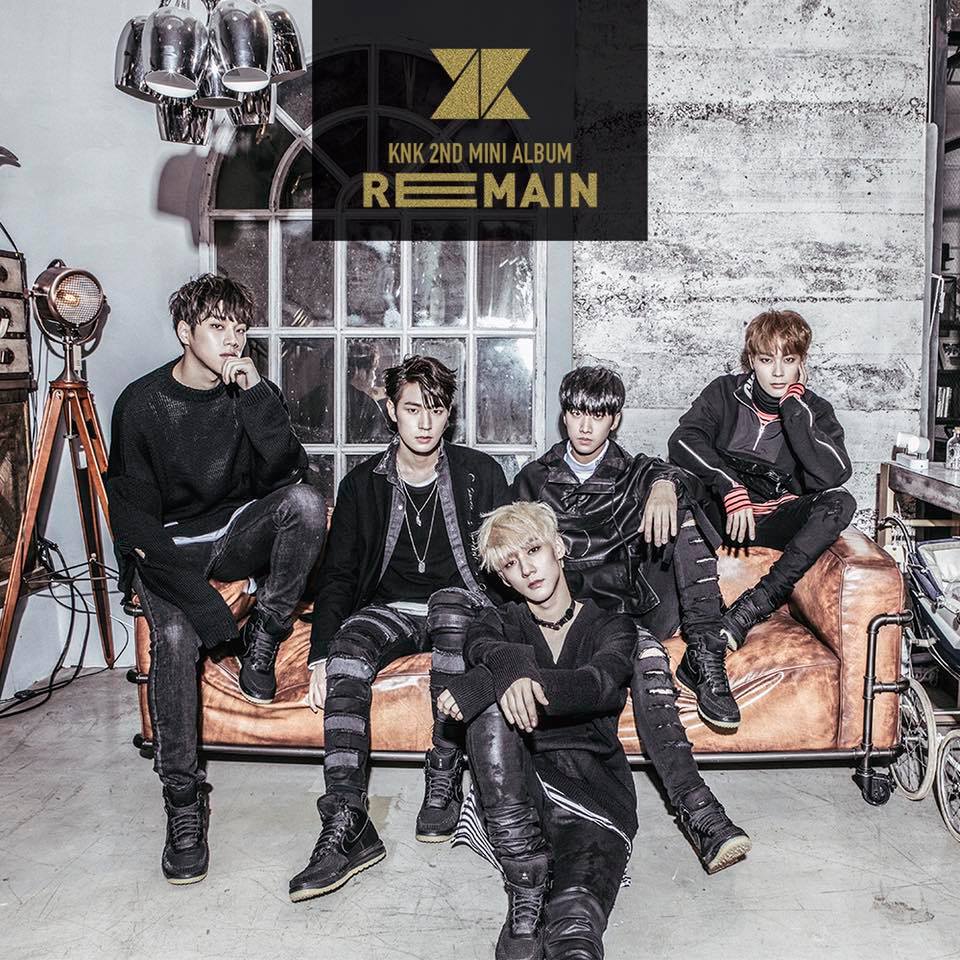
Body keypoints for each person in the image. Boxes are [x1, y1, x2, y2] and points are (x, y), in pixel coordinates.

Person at [438, 502, 751, 960]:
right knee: (490, 703)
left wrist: (505, 679)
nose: (526, 569)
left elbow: (599, 686)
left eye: (533, 550)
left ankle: (555, 900)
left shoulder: (612, 624)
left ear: (558, 548)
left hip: (593, 792)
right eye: (510, 563)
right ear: (503, 578)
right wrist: (504, 669)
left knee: (577, 927)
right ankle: (525, 878)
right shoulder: (499, 623)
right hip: (518, 794)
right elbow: (480, 643)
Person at [106, 273, 327, 885]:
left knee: (307, 505)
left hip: (229, 535)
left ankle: (265, 640)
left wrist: (258, 399)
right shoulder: (141, 404)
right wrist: (205, 608)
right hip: (166, 550)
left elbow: (289, 474)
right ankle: (183, 799)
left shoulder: (251, 391)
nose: (233, 340)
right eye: (217, 326)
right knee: (177, 638)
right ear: (185, 332)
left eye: (240, 327)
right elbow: (133, 524)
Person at [289, 355, 509, 901]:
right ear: (391, 410)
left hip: (459, 608)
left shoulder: (482, 475)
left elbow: (507, 562)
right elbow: (339, 577)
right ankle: (347, 820)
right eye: (413, 409)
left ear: (449, 413)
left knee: (451, 612)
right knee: (348, 650)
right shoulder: (362, 484)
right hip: (388, 608)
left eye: (436, 409)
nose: (425, 422)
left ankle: (444, 775)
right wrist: (321, 655)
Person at [668, 309, 855, 650]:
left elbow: (835, 473)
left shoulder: (813, 410)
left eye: (789, 360)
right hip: (721, 513)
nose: (778, 372)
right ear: (752, 361)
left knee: (841, 502)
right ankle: (691, 617)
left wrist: (794, 407)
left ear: (802, 363)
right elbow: (682, 440)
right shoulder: (724, 392)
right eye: (768, 360)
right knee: (674, 482)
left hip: (771, 519)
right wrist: (729, 486)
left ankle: (755, 605)